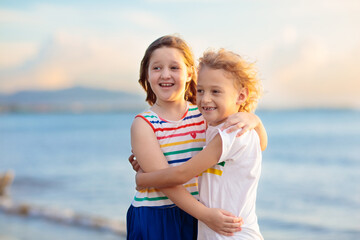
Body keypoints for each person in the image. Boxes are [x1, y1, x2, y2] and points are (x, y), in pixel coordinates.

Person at [127, 35, 267, 240]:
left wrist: (254, 119)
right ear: (146, 74)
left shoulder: (205, 115)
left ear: (190, 73)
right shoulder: (144, 124)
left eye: (174, 68)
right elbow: (169, 180)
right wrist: (205, 215)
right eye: (157, 68)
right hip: (160, 215)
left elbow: (257, 145)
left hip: (198, 216)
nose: (166, 74)